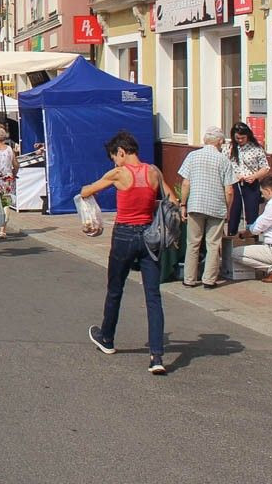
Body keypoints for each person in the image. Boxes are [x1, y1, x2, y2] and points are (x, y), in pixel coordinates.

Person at [82, 131, 179, 375]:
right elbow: (173, 200)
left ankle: (107, 337)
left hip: (124, 235)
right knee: (153, 296)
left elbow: (86, 191)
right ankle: (156, 356)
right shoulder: (154, 172)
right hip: (149, 236)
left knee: (115, 289)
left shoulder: (119, 173)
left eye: (114, 157)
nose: (115, 162)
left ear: (121, 152)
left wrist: (91, 189)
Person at [178, 127, 236, 288]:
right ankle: (209, 280)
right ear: (219, 141)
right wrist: (228, 210)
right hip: (216, 206)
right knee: (213, 244)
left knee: (193, 243)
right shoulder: (224, 160)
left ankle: (189, 279)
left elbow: (185, 183)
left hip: (195, 204)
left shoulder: (192, 156)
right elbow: (229, 190)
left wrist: (183, 204)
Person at [225, 121, 270, 236]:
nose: (240, 140)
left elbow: (265, 168)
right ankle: (231, 235)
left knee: (252, 212)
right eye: (237, 138)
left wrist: (254, 176)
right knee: (234, 211)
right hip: (234, 184)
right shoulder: (228, 148)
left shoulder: (256, 148)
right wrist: (235, 175)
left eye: (243, 138)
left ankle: (252, 235)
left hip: (251, 184)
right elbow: (223, 166)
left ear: (248, 136)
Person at [0, 125, 18, 240]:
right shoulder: (9, 149)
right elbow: (16, 164)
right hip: (7, 180)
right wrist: (13, 173)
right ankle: (3, 230)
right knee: (6, 204)